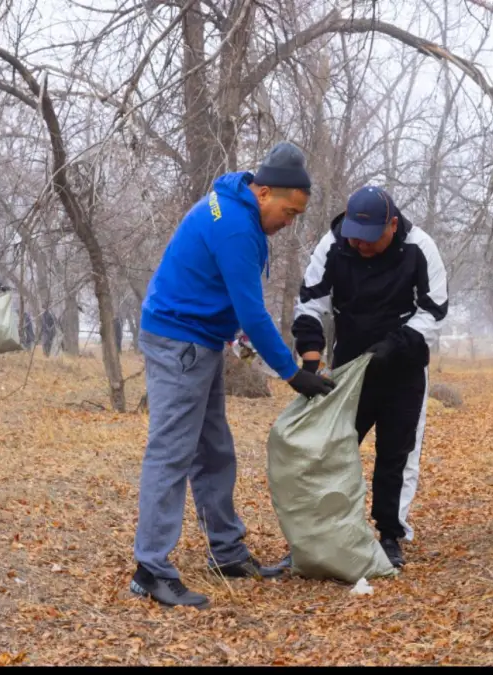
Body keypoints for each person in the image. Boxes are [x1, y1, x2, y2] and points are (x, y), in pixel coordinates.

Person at [131, 142, 336, 609]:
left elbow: (229, 303)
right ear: (263, 192)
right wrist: (291, 373)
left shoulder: (232, 204)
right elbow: (252, 311)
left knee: (213, 449)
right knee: (171, 453)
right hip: (180, 342)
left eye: (297, 215)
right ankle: (151, 569)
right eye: (288, 211)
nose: (289, 222)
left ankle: (226, 552)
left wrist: (245, 350)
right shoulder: (238, 228)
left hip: (198, 338)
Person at [289, 185, 449, 570]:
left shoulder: (419, 247)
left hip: (404, 366)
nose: (360, 245)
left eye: (369, 238)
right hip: (349, 366)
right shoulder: (334, 243)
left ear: (392, 225)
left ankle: (390, 534)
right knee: (334, 450)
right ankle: (323, 534)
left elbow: (434, 311)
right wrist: (311, 360)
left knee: (396, 453)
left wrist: (395, 345)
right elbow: (310, 302)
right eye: (354, 237)